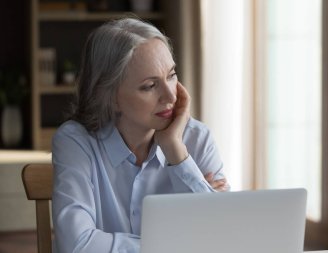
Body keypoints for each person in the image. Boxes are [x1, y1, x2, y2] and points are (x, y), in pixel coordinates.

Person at [52, 17, 229, 253]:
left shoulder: (197, 139)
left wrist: (176, 152)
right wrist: (179, 245)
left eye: (171, 75)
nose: (170, 95)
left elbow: (223, 239)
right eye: (149, 86)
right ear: (110, 96)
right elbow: (77, 245)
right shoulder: (75, 141)